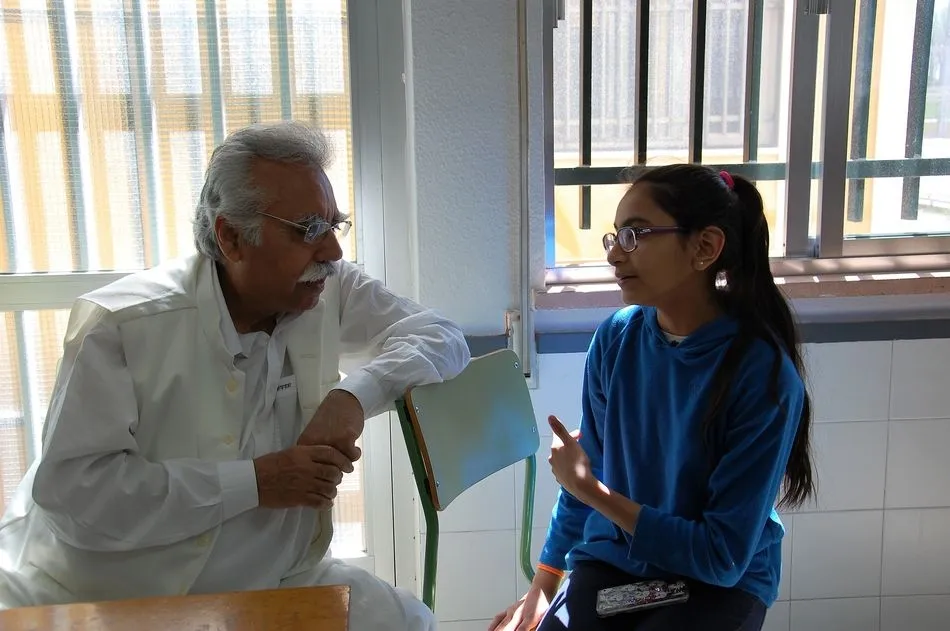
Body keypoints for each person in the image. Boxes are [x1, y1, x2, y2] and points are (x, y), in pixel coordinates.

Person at [0, 120, 470, 631]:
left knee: (412, 622)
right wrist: (256, 483)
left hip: (274, 576)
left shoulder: (327, 289)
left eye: (335, 226)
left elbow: (442, 337)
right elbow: (75, 495)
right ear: (231, 237)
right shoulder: (122, 325)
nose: (332, 252)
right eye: (308, 230)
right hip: (116, 589)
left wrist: (353, 397)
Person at [490, 164, 815, 631]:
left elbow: (721, 557)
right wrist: (543, 584)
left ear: (705, 247)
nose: (614, 255)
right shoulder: (616, 339)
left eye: (635, 235)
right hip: (615, 565)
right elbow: (591, 465)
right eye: (615, 236)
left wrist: (590, 490)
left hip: (715, 586)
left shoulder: (761, 376)